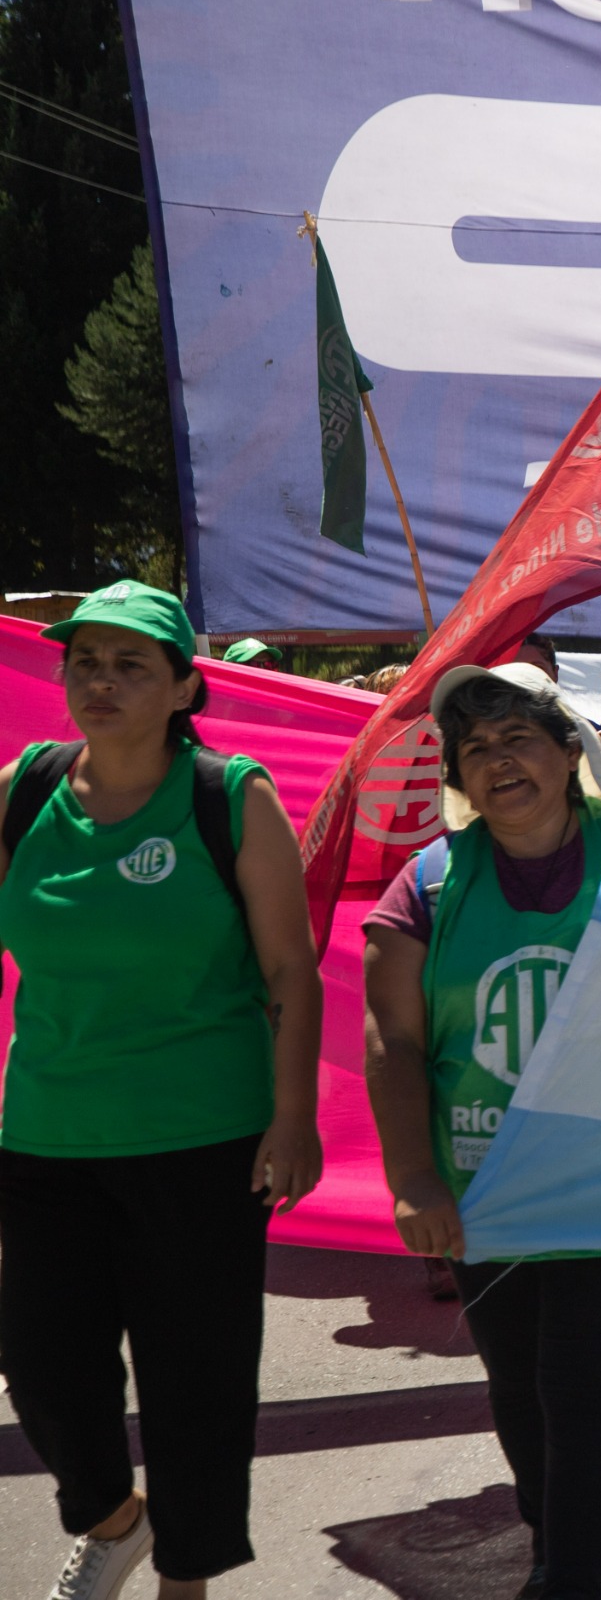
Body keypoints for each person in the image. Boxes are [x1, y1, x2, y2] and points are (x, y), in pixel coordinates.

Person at [1, 582, 324, 1600]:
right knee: (44, 1371)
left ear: (185, 684)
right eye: (85, 660)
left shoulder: (230, 796)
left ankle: (186, 1575)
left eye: (131, 663)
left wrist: (294, 1115)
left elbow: (291, 972)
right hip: (49, 1135)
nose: (100, 680)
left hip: (205, 1138)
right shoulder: (21, 790)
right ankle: (114, 1518)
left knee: (197, 1384)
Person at [363, 662, 601, 1600]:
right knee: (523, 1394)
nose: (498, 761)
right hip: (485, 1185)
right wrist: (415, 1180)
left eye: (518, 739)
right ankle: (559, 1550)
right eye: (475, 749)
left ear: (567, 753)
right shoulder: (426, 884)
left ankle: (571, 1580)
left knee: (586, 1390)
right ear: (456, 779)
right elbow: (393, 1038)